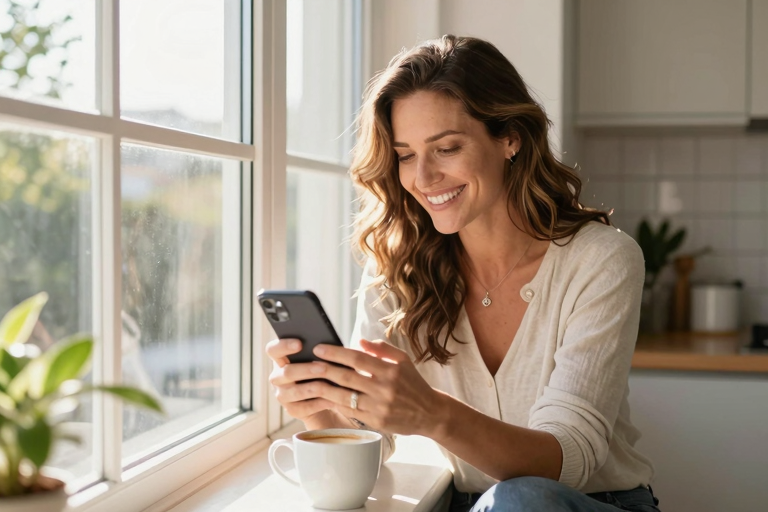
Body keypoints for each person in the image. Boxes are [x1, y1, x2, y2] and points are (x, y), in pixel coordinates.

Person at [267, 35, 660, 512]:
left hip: (593, 502)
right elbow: (374, 436)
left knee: (521, 500)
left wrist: (433, 413)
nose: (423, 178)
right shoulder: (400, 269)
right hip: (476, 506)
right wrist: (323, 411)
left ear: (510, 137)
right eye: (406, 155)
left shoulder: (600, 260)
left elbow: (570, 458)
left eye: (447, 147)